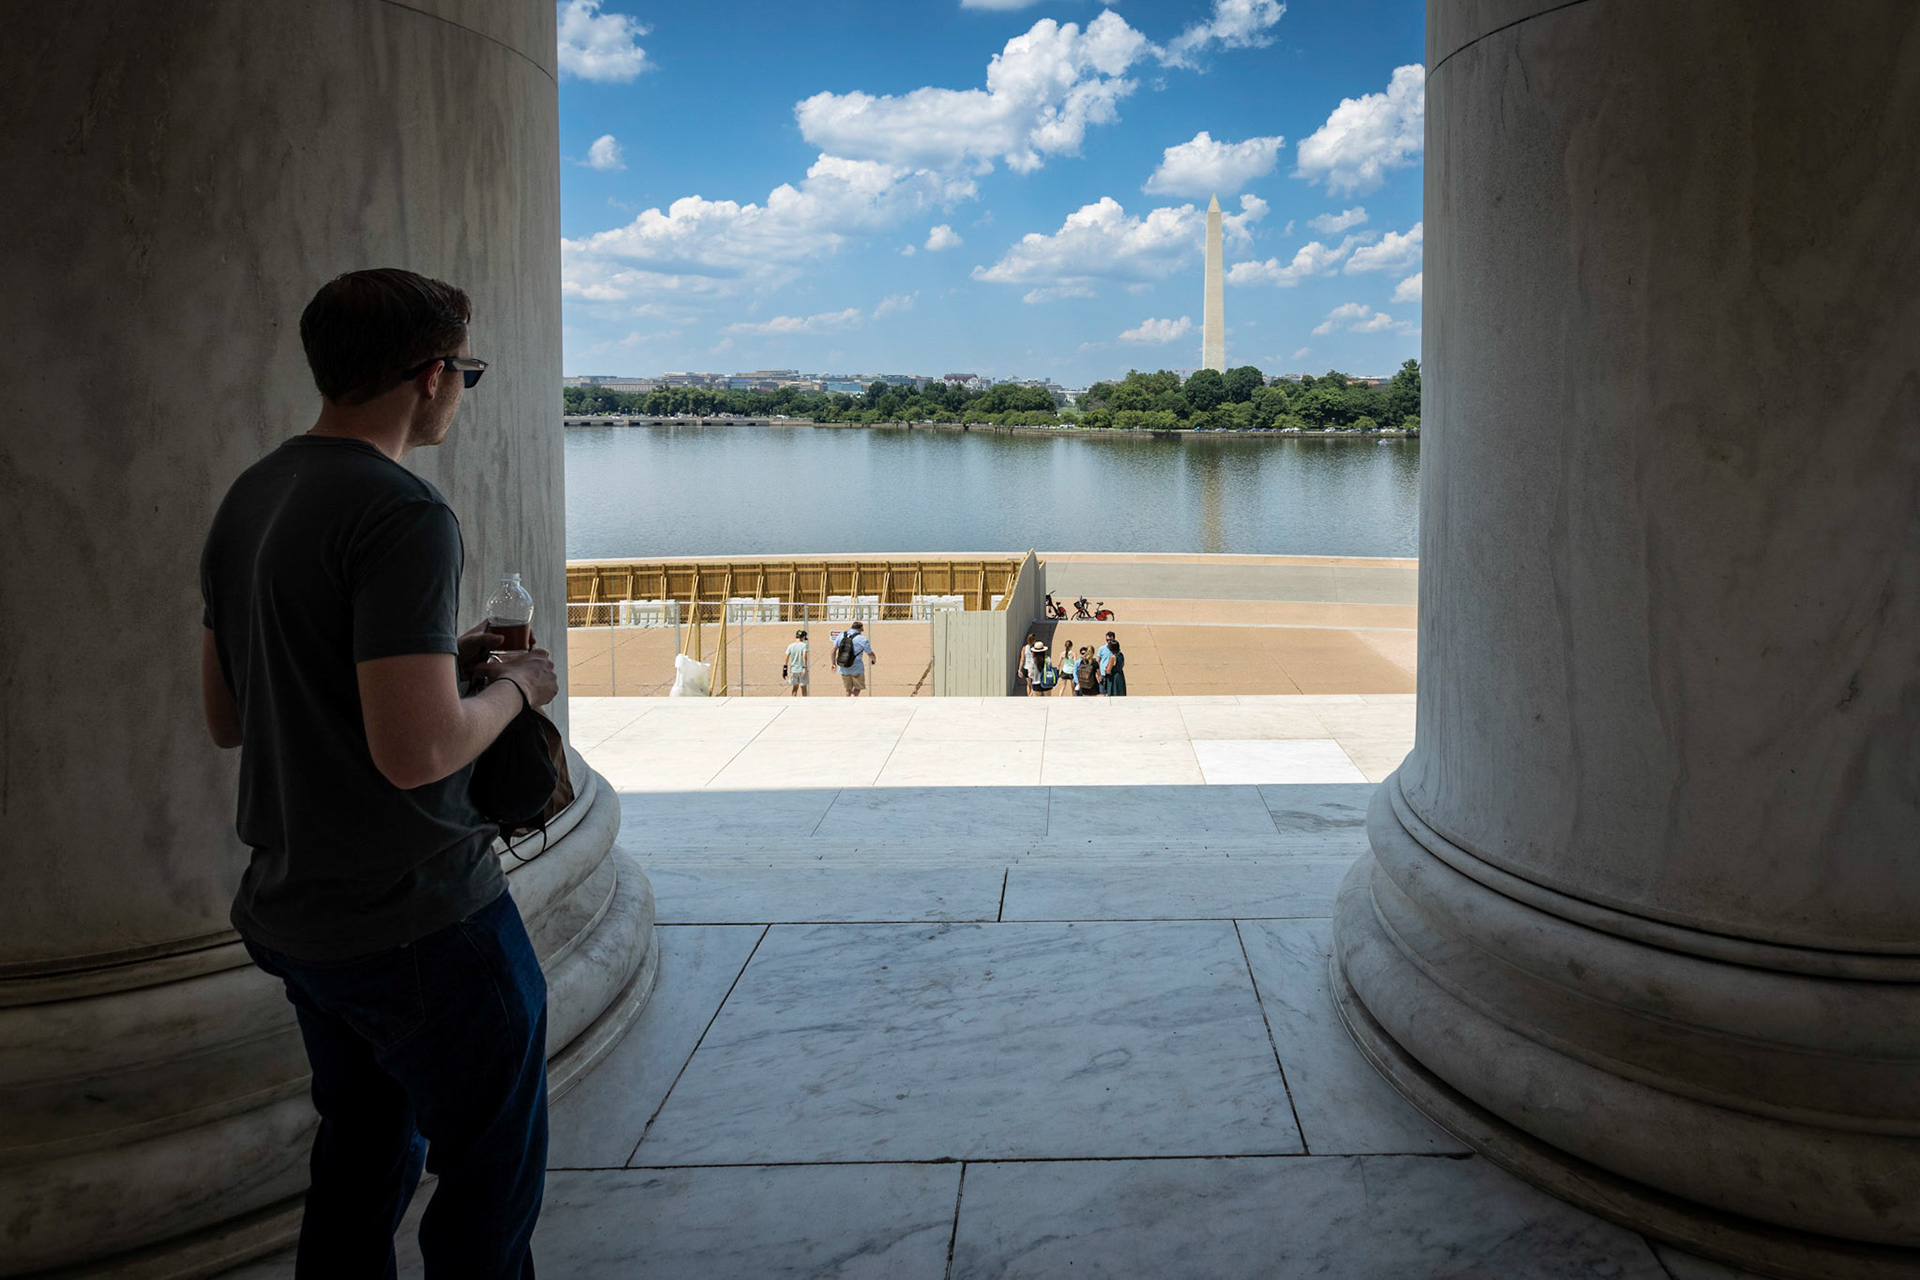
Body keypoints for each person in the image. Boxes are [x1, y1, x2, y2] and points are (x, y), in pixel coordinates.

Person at [198, 268, 551, 1280]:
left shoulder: (251, 494)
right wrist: (518, 684)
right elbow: (419, 751)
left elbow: (231, 714)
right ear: (432, 374)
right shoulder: (404, 512)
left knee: (357, 1159)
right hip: (422, 912)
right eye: (466, 374)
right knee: (488, 1183)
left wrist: (440, 658)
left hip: (301, 905)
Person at [837, 619, 877, 696]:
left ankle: (848, 702)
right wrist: (873, 660)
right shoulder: (862, 638)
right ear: (860, 628)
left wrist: (833, 663)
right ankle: (854, 700)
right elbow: (869, 653)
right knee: (858, 687)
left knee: (848, 689)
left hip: (843, 666)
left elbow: (833, 650)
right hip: (856, 667)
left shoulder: (842, 635)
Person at [784, 628, 810, 697]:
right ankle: (805, 701)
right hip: (801, 669)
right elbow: (804, 656)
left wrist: (785, 668)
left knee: (795, 688)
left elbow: (786, 656)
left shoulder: (790, 646)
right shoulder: (804, 645)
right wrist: (804, 667)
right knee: (803, 687)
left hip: (793, 669)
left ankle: (793, 701)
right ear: (803, 637)